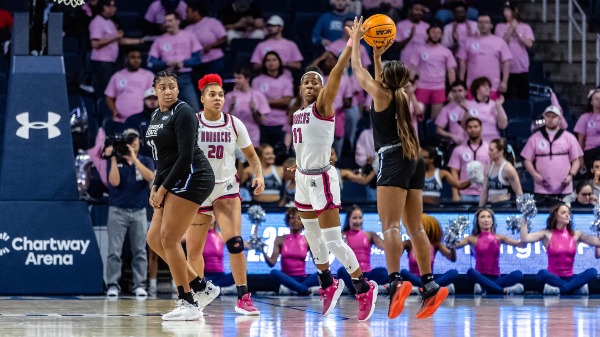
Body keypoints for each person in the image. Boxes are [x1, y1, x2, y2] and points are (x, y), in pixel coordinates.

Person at [349, 17, 448, 320]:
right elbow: (379, 78)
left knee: (390, 226)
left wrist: (356, 41)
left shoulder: (381, 94)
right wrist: (378, 56)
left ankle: (395, 281)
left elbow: (356, 70)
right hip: (414, 159)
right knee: (415, 227)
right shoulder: (402, 95)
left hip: (392, 159)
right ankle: (428, 284)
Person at [291, 38, 377, 321]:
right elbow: (307, 146)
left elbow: (338, 71)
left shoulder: (324, 105)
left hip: (322, 180)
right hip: (304, 179)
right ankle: (328, 284)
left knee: (332, 240)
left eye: (316, 82)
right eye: (307, 82)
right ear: (300, 88)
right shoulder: (297, 113)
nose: (312, 86)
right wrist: (298, 166)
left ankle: (363, 287)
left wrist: (351, 43)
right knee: (313, 238)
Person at [186, 73, 265, 315]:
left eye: (221, 94)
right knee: (194, 251)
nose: (218, 98)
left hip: (226, 189)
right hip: (199, 190)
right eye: (212, 95)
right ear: (202, 98)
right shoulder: (192, 122)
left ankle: (243, 297)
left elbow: (251, 156)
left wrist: (259, 174)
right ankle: (197, 296)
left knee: (235, 242)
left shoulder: (233, 123)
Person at [145, 71, 216, 321]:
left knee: (169, 238)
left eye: (172, 87)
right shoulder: (155, 115)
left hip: (193, 175)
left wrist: (163, 188)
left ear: (177, 89)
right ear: (154, 90)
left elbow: (184, 157)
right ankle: (200, 286)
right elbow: (161, 159)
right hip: (171, 178)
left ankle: (188, 302)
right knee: (154, 238)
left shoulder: (183, 111)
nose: (167, 91)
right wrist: (156, 185)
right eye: (162, 87)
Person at [104, 129, 155, 298]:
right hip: (117, 211)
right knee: (114, 251)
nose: (133, 143)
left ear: (139, 142)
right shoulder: (115, 160)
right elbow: (114, 182)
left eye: (135, 140)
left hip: (139, 211)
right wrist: (112, 158)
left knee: (139, 250)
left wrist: (134, 159)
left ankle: (139, 284)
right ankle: (112, 284)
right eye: (129, 140)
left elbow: (151, 178)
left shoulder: (145, 160)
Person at [520, 204, 600, 295]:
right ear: (555, 216)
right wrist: (525, 217)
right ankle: (574, 288)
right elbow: (525, 238)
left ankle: (561, 290)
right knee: (542, 274)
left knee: (593, 272)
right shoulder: (546, 234)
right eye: (563, 213)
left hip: (570, 277)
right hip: (552, 277)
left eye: (568, 213)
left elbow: (598, 242)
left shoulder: (576, 234)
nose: (567, 215)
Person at [521, 105, 583, 207]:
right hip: (542, 187)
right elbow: (527, 159)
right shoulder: (535, 138)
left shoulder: (569, 137)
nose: (550, 119)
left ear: (559, 119)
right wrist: (534, 174)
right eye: (548, 116)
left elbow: (576, 160)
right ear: (544, 118)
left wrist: (571, 175)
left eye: (554, 117)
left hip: (564, 187)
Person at [454, 208, 525, 295]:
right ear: (477, 221)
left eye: (489, 217)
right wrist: (454, 232)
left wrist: (523, 227)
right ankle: (503, 291)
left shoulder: (499, 237)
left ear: (492, 220)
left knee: (518, 274)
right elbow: (454, 246)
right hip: (479, 277)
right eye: (482, 217)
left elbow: (522, 245)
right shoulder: (471, 238)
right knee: (470, 272)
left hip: (496, 278)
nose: (486, 219)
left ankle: (485, 289)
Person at [147, 12, 202, 112]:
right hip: (166, 79)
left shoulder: (189, 36)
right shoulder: (159, 40)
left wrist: (183, 63)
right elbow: (151, 62)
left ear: (178, 21)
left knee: (194, 110)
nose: (167, 24)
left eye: (170, 21)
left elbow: (198, 59)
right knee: (166, 111)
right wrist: (166, 63)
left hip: (185, 77)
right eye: (165, 21)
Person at [263, 208, 319, 296]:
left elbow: (318, 263)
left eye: (299, 218)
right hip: (286, 278)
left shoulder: (308, 240)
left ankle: (296, 289)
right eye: (292, 218)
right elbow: (271, 263)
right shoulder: (280, 239)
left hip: (302, 279)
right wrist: (262, 250)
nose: (295, 221)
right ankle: (303, 289)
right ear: (288, 220)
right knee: (274, 272)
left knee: (322, 273)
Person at [457, 14, 512, 99]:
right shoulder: (468, 41)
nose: (483, 25)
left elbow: (506, 62)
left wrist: (504, 81)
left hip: (492, 87)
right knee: (471, 111)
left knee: (490, 112)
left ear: (491, 25)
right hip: (472, 86)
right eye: (480, 22)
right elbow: (462, 62)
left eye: (486, 22)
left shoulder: (500, 42)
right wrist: (461, 82)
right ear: (477, 25)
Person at [400, 214, 458, 294]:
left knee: (453, 272)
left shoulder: (436, 244)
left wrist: (452, 246)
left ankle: (423, 288)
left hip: (430, 278)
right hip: (414, 278)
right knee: (403, 272)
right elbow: (395, 255)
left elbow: (452, 258)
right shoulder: (408, 243)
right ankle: (434, 288)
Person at [336, 205, 388, 295]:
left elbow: (386, 247)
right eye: (355, 218)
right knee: (341, 271)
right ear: (348, 219)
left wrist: (388, 229)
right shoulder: (342, 235)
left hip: (367, 275)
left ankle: (360, 287)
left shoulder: (369, 235)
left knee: (383, 272)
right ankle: (364, 287)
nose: (358, 221)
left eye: (360, 218)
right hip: (352, 274)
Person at [409, 24, 457, 120]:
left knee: (436, 118)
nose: (435, 35)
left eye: (438, 33)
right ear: (428, 33)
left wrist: (453, 90)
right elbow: (413, 68)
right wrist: (409, 83)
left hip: (439, 87)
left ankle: (433, 135)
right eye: (433, 32)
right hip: (422, 86)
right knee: (419, 116)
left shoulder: (446, 52)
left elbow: (451, 72)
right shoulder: (420, 50)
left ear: (441, 35)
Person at [251, 51, 294, 149]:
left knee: (281, 154)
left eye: (274, 60)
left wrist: (265, 101)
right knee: (264, 154)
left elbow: (286, 101)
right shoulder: (257, 81)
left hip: (282, 123)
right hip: (263, 123)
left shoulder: (286, 80)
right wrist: (277, 101)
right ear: (264, 63)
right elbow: (256, 103)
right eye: (268, 60)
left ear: (279, 62)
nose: (271, 63)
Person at [185, 1, 227, 94]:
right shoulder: (187, 29)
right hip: (197, 65)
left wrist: (211, 46)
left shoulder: (212, 22)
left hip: (214, 62)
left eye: (188, 11)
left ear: (195, 12)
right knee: (201, 92)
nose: (186, 15)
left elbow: (224, 39)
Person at [495, 1, 534, 100]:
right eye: (504, 10)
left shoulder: (525, 27)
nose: (506, 13)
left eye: (508, 10)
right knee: (505, 98)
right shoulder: (499, 27)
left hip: (521, 68)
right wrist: (511, 28)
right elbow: (501, 43)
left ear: (515, 11)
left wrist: (518, 33)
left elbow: (529, 44)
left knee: (523, 96)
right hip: (504, 68)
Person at [223, 67, 271, 147]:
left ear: (247, 79)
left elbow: (262, 121)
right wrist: (231, 108)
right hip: (234, 137)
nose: (236, 80)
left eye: (239, 78)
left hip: (252, 137)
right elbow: (224, 121)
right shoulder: (229, 96)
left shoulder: (258, 96)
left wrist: (253, 110)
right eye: (235, 78)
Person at [105, 48, 155, 123]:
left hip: (143, 120)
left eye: (138, 57)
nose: (136, 60)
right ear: (126, 59)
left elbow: (154, 97)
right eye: (133, 57)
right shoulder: (117, 76)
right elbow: (109, 97)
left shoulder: (149, 76)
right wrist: (114, 111)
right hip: (121, 121)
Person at [448, 117, 490, 202]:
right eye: (470, 127)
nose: (473, 129)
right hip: (464, 193)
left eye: (475, 126)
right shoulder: (458, 150)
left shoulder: (489, 148)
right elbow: (454, 173)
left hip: (485, 193)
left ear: (481, 128)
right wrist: (455, 194)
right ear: (466, 129)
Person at [463, 76, 508, 143]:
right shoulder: (467, 104)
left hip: (493, 143)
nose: (488, 88)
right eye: (484, 86)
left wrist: (499, 106)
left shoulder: (495, 104)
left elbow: (503, 125)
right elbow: (463, 126)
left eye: (488, 86)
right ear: (477, 89)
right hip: (474, 141)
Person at [479, 138, 523, 207]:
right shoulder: (488, 167)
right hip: (491, 206)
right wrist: (480, 209)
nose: (489, 152)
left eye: (491, 150)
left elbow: (519, 192)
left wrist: (521, 211)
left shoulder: (508, 169)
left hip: (504, 207)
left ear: (501, 152)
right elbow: (484, 192)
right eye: (489, 150)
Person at [125, 88, 160, 158]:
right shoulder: (133, 119)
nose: (152, 101)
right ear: (144, 101)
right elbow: (128, 141)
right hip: (141, 160)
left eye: (155, 99)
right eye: (149, 99)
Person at [574, 88, 600, 176]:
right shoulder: (585, 118)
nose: (599, 101)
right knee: (596, 178)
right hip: (591, 153)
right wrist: (580, 158)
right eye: (596, 99)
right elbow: (580, 140)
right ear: (591, 102)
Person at [435, 80, 469, 146]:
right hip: (455, 143)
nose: (457, 93)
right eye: (454, 91)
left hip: (474, 142)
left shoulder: (473, 105)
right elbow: (438, 130)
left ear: (466, 92)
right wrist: (452, 135)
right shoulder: (447, 108)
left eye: (460, 90)